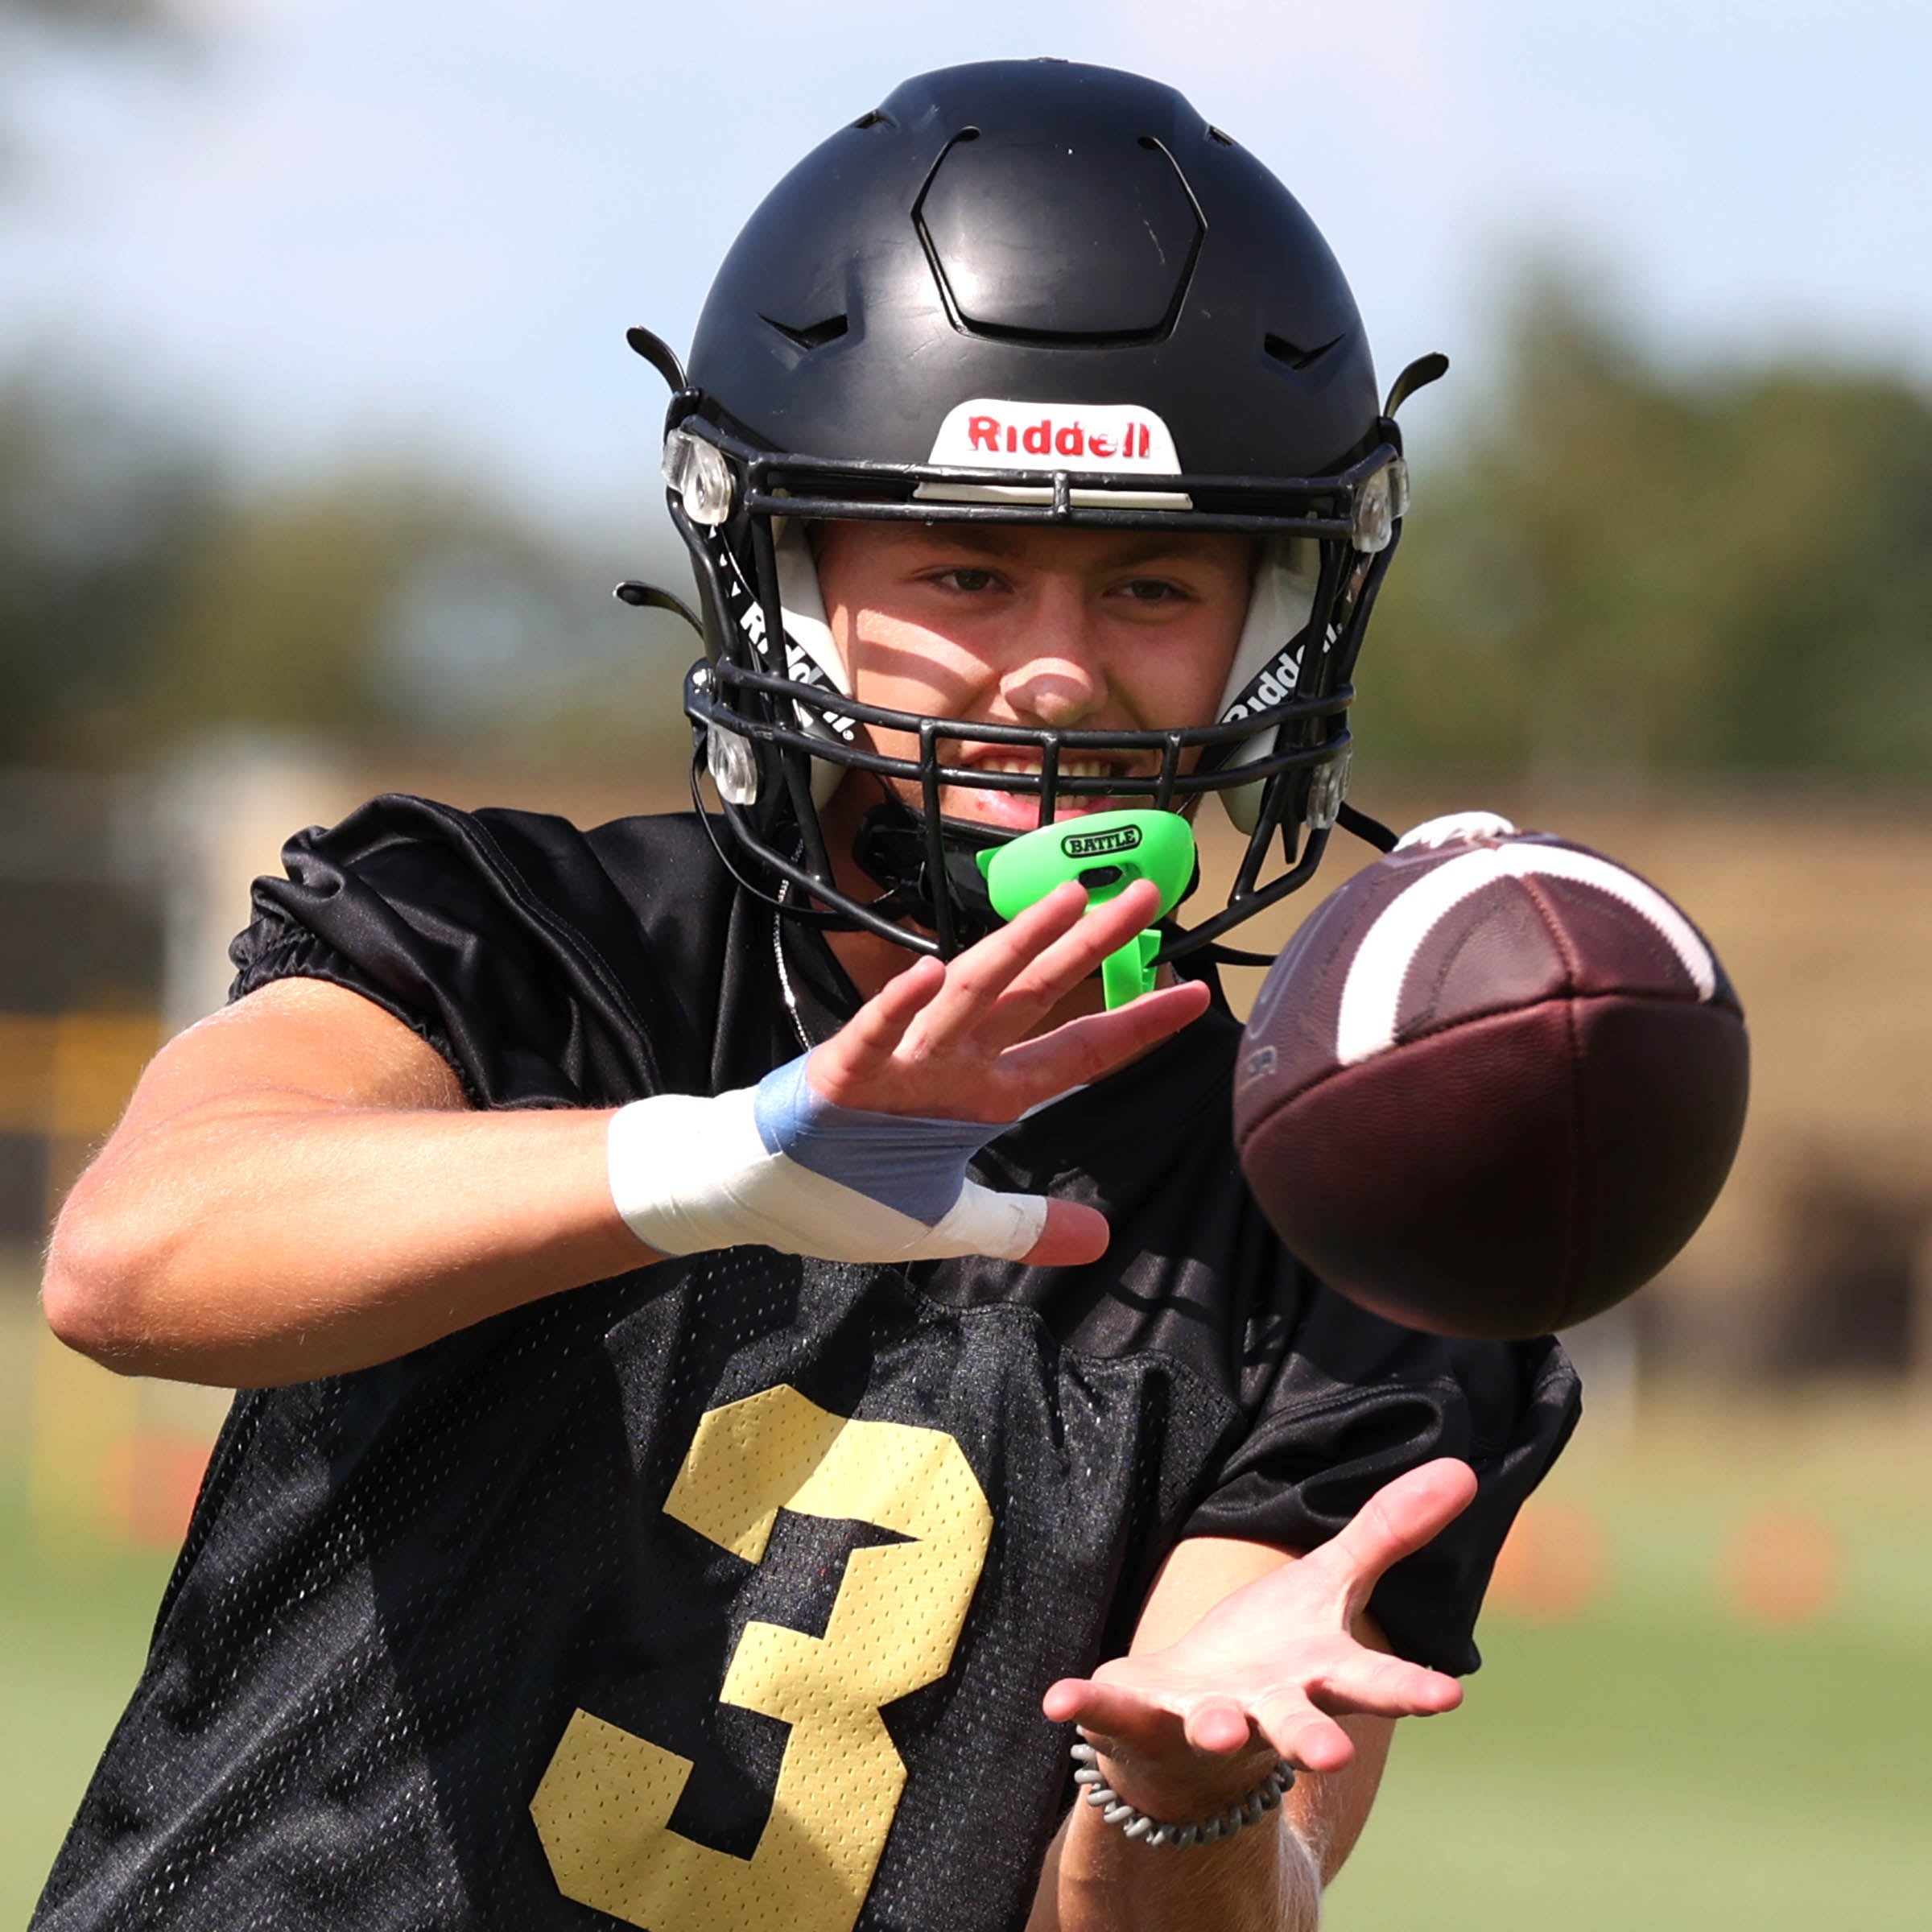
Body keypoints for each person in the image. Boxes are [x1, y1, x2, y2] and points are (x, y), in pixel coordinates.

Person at [34, 59, 1579, 1932]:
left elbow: (1185, 1907)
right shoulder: (521, 941)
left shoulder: (1330, 1227)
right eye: (966, 568)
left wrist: (1186, 1794)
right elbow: (132, 1260)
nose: (1056, 677)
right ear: (785, 582)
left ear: (1275, 634)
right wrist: (720, 1166)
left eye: (1155, 588)